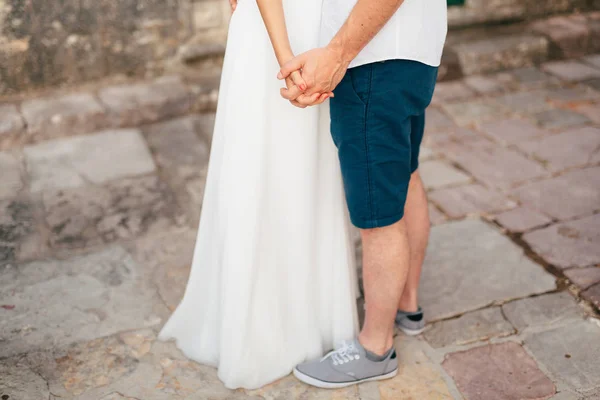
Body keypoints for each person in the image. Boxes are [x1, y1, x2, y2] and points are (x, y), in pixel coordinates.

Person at [158, 0, 360, 390]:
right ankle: (266, 322)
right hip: (278, 37)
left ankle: (307, 314)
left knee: (304, 166)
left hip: (317, 31)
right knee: (266, 164)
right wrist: (286, 63)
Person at [278, 0, 448, 389]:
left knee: (376, 213)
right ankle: (407, 305)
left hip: (370, 56)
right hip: (412, 49)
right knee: (406, 176)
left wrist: (337, 54)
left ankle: (375, 347)